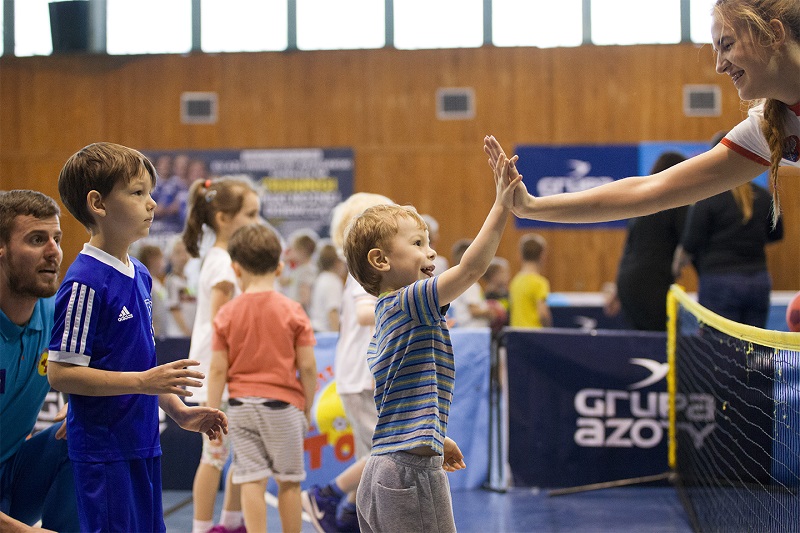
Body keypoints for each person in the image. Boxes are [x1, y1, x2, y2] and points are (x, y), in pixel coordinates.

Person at [484, 0, 800, 229]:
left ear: (773, 34)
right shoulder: (769, 127)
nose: (719, 65)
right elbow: (651, 191)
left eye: (727, 45)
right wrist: (532, 206)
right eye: (716, 50)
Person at [46, 142, 228, 533]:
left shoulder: (141, 274)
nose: (152, 203)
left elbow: (141, 367)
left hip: (143, 442)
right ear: (98, 203)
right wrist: (144, 381)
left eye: (150, 192)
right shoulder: (84, 281)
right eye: (137, 192)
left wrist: (179, 412)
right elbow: (61, 374)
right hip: (104, 450)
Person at [343, 154, 520, 532]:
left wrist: (435, 437)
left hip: (382, 468)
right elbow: (471, 269)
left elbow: (400, 399)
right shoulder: (409, 300)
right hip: (408, 474)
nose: (431, 252)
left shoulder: (388, 316)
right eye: (418, 243)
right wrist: (501, 205)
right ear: (380, 260)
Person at [207, 223, 317, 533]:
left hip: (240, 408)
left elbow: (217, 370)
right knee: (289, 482)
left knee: (250, 481)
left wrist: (212, 413)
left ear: (236, 269)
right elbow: (308, 367)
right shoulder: (293, 311)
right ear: (279, 267)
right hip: (283, 407)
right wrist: (307, 406)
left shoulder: (226, 314)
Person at [302, 192, 393, 533]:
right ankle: (325, 495)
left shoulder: (371, 270)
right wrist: (409, 303)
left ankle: (349, 517)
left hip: (363, 376)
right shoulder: (363, 271)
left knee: (370, 455)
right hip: (363, 376)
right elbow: (365, 312)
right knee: (388, 452)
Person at [183, 176, 262, 533]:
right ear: (223, 218)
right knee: (214, 456)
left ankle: (230, 523)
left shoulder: (223, 259)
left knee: (241, 454)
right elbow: (221, 325)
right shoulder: (223, 264)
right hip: (220, 375)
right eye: (251, 214)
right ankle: (202, 528)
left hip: (229, 373)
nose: (257, 222)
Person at [0, 190, 79, 533]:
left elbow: (113, 370)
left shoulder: (58, 313)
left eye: (56, 239)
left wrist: (83, 400)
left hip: (13, 473)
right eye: (36, 239)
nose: (54, 251)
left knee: (84, 429)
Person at [672, 136, 784, 327]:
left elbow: (690, 243)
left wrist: (675, 267)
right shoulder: (763, 196)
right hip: (758, 281)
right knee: (753, 344)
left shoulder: (707, 197)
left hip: (719, 281)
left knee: (719, 344)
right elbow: (777, 234)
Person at [604, 152, 689, 331]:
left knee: (639, 339)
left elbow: (628, 248)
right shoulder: (676, 201)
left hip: (627, 281)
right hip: (652, 283)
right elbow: (688, 240)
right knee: (660, 338)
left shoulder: (641, 202)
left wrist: (618, 287)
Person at [509, 233, 552, 329]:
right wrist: (548, 328)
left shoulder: (515, 281)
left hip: (517, 332)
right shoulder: (539, 282)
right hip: (534, 333)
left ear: (520, 255)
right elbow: (543, 314)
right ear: (542, 255)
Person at [447, 238, 492, 329]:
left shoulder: (455, 281)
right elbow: (474, 310)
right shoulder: (470, 284)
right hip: (473, 330)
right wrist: (491, 312)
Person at [309, 241, 346, 333]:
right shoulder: (333, 281)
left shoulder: (322, 277)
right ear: (337, 262)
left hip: (316, 329)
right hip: (325, 333)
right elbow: (332, 312)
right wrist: (337, 336)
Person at [279, 229, 319, 313]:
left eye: (293, 249)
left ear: (302, 251)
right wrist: (284, 262)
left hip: (298, 313)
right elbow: (282, 282)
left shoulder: (307, 271)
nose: (290, 252)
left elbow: (304, 299)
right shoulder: (298, 270)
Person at [164, 238, 198, 337]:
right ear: (170, 256)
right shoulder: (171, 281)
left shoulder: (190, 280)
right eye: (178, 252)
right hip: (178, 335)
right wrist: (187, 332)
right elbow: (174, 309)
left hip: (190, 333)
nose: (182, 256)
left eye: (185, 251)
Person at [138, 244, 169, 337]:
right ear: (152, 260)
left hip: (163, 332)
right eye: (160, 259)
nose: (163, 263)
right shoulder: (146, 283)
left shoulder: (157, 282)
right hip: (155, 333)